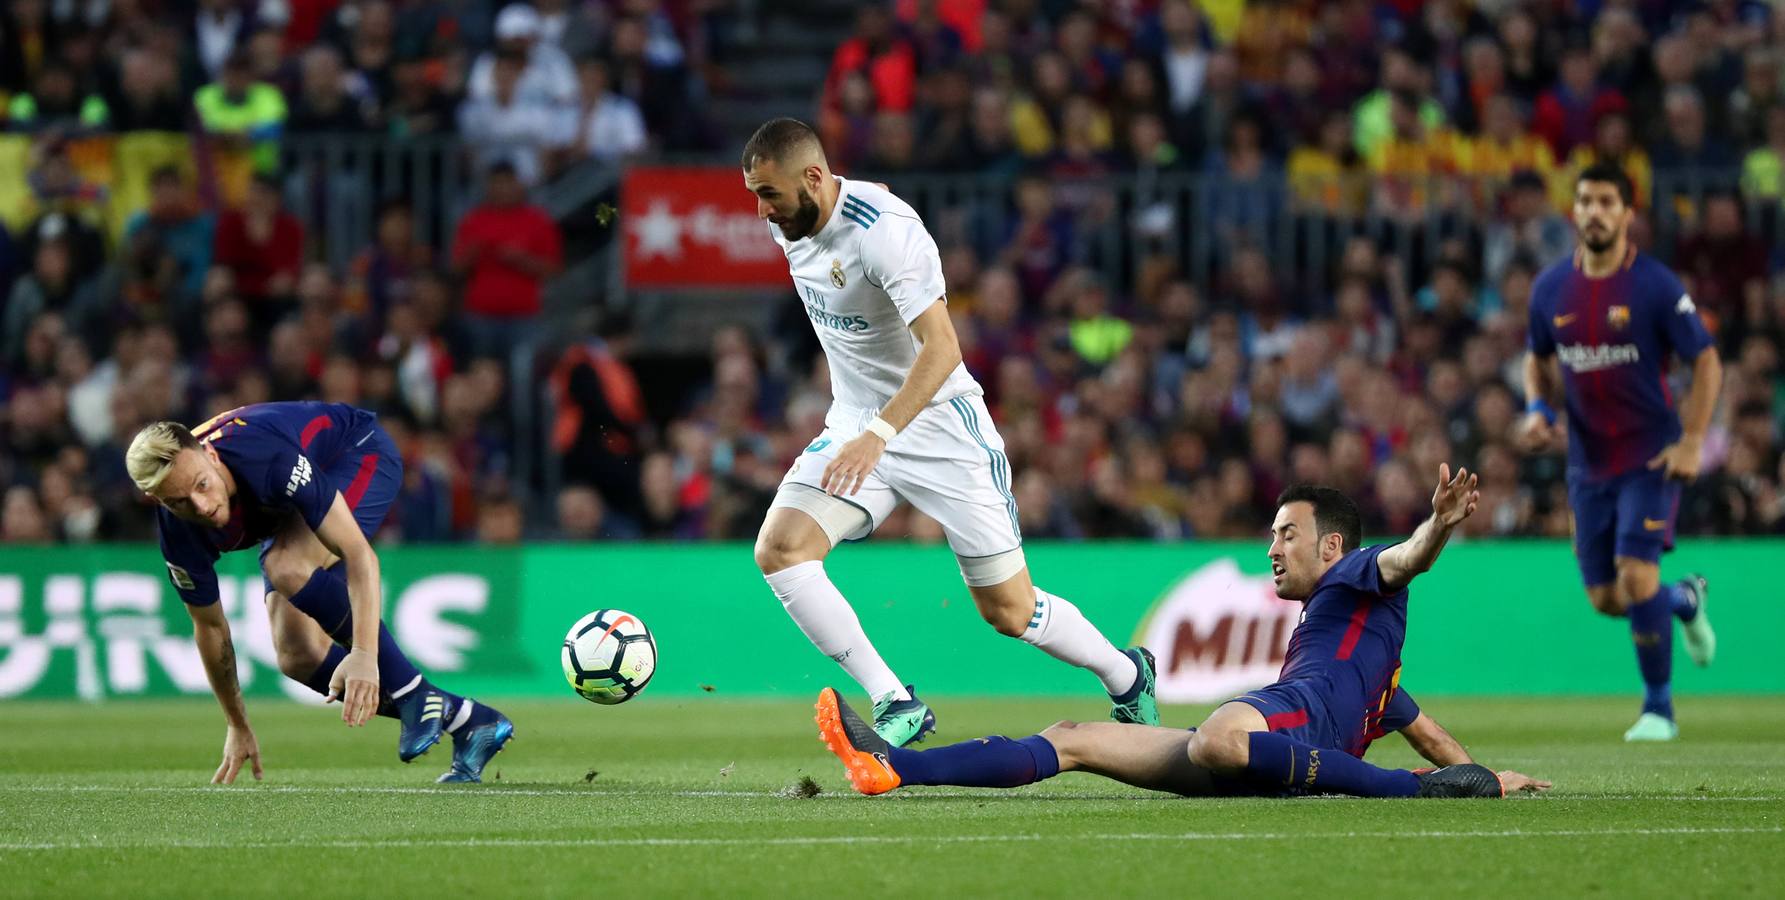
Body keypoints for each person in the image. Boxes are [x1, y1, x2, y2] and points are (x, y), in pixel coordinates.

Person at [742, 118, 1155, 748]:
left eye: (768, 193)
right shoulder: (791, 220)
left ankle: (1127, 676)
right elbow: (844, 205)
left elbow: (941, 350)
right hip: (856, 424)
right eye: (755, 194)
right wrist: (868, 431)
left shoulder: (888, 236)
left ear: (813, 177)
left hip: (941, 430)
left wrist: (880, 433)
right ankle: (895, 701)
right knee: (781, 550)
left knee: (1010, 612)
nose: (762, 210)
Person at [816, 473, 1552, 800]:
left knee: (1218, 737)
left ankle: (1399, 795)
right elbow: (1430, 737)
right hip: (1277, 748)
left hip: (1269, 733)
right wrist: (1486, 778)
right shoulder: (1367, 668)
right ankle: (893, 771)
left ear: (1331, 548)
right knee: (1072, 735)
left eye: (1286, 535)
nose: (1272, 548)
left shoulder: (1359, 574)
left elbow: (1406, 557)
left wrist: (1438, 527)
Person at [125, 402, 513, 784]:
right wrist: (236, 723)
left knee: (287, 565)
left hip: (355, 452)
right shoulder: (178, 532)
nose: (202, 506)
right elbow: (209, 628)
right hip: (287, 509)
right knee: (297, 655)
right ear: (158, 501)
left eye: (202, 485)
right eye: (179, 502)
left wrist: (364, 654)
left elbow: (359, 555)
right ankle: (469, 721)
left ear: (209, 454)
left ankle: (414, 694)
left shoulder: (262, 455)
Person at [1517, 163, 1722, 742]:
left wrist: (1692, 439)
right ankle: (1684, 600)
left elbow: (1705, 361)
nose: (1596, 212)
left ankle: (1659, 709)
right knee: (1608, 598)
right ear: (1574, 211)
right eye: (1586, 201)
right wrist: (1537, 408)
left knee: (1635, 577)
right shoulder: (1550, 289)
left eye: (1608, 201)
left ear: (1628, 214)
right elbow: (1537, 356)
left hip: (1650, 458)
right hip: (1588, 465)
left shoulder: (1655, 285)